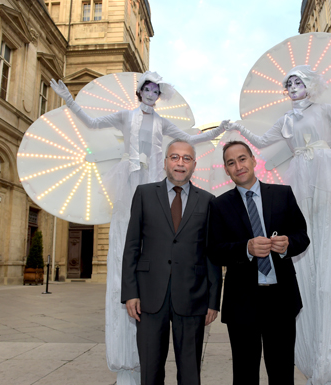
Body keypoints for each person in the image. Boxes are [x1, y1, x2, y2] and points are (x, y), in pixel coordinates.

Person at [50, 72, 227, 384]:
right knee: (129, 235)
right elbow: (92, 123)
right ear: (139, 92)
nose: (151, 93)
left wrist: (218, 133)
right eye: (147, 88)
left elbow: (188, 138)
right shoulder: (125, 116)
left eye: (155, 90)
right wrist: (68, 100)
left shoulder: (162, 125)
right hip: (132, 180)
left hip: (153, 180)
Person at [228, 65, 331, 385]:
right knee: (301, 228)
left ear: (309, 85)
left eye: (297, 82)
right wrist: (238, 128)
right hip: (301, 172)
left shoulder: (324, 110)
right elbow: (260, 140)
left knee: (328, 230)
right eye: (288, 84)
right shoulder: (285, 120)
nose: (292, 87)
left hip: (326, 170)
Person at [121, 138, 222, 385]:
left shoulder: (208, 201)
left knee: (190, 371)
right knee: (150, 370)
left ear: (194, 164)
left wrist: (213, 300)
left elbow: (212, 255)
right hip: (149, 295)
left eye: (186, 158)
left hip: (192, 296)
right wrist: (130, 293)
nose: (180, 163)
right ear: (165, 162)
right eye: (175, 157)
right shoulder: (144, 194)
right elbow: (132, 246)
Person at [207, 140, 309, 385]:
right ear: (226, 169)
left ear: (253, 161)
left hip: (281, 299)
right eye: (231, 163)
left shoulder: (283, 194)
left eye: (242, 159)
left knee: (283, 372)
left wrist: (287, 245)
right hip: (242, 302)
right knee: (244, 374)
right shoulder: (219, 205)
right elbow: (214, 251)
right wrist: (246, 248)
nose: (238, 166)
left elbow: (302, 237)